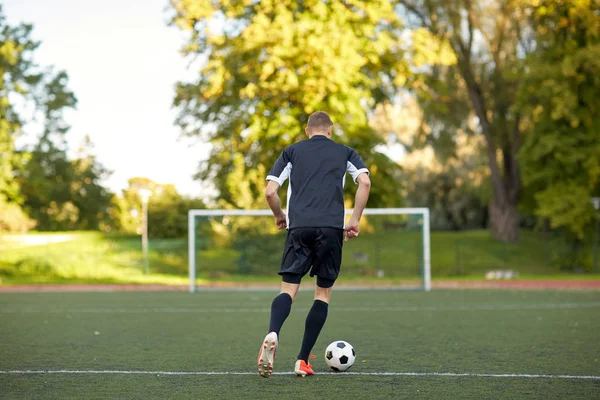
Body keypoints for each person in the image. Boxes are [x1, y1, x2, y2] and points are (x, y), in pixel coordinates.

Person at [257, 111, 371, 378]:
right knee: (322, 294)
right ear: (329, 130)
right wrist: (354, 220)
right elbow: (364, 181)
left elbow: (270, 191)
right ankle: (302, 361)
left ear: (307, 130)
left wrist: (278, 215)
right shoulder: (346, 152)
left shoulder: (291, 152)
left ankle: (273, 332)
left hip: (299, 227)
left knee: (288, 289)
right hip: (331, 228)